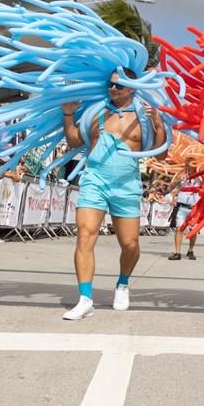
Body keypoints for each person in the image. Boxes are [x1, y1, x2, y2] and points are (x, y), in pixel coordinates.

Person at [60, 68, 165, 320]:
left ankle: (123, 282)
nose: (112, 88)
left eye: (118, 86)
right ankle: (85, 298)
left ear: (132, 88)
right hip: (95, 180)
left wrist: (158, 125)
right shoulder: (95, 111)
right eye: (109, 84)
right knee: (85, 235)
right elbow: (75, 140)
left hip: (127, 185)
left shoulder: (144, 114)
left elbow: (160, 154)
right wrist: (68, 112)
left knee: (130, 244)